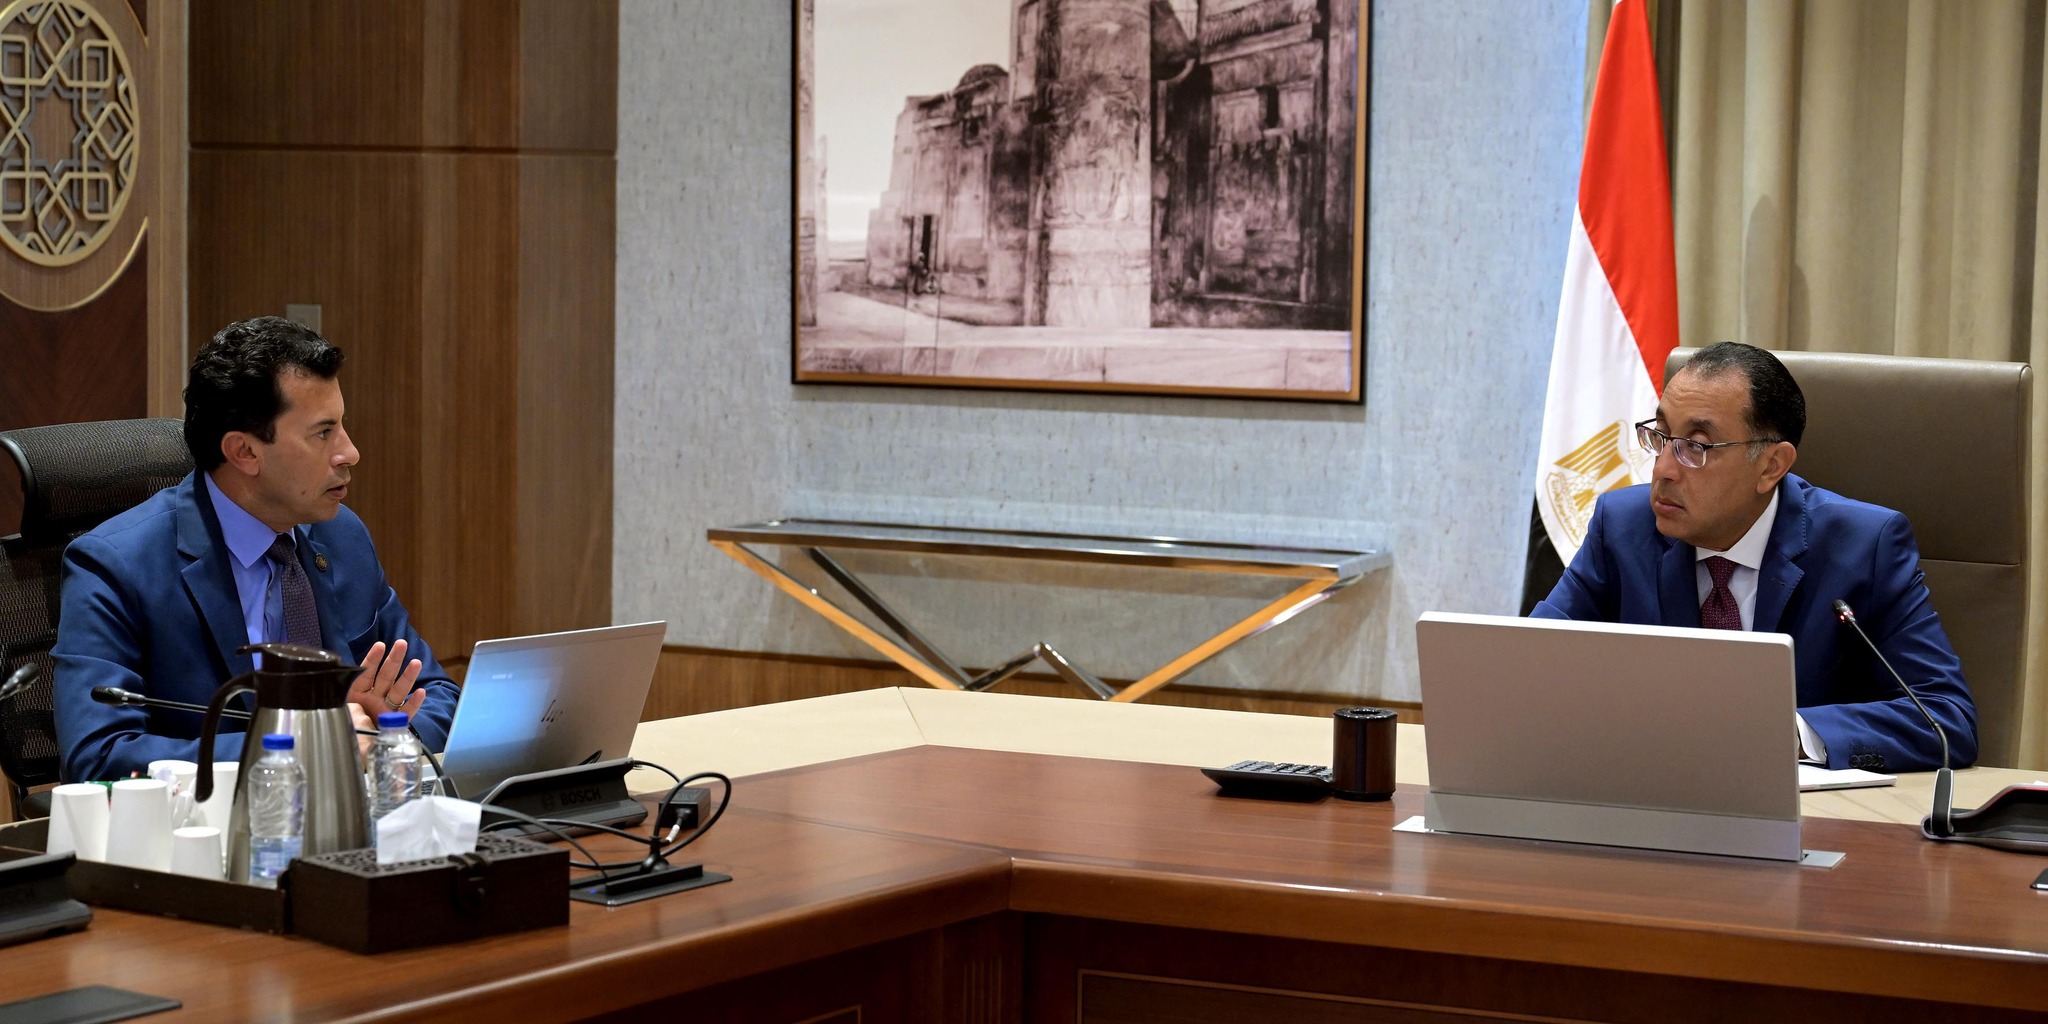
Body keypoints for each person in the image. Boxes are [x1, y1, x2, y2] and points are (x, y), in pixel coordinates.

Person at [1532, 341, 1975, 773]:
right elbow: (1531, 667)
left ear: (1771, 466)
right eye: (1661, 436)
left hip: (1808, 812)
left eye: (1696, 446)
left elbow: (1945, 719)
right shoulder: (1622, 527)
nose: (1663, 469)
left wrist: (1784, 735)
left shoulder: (1864, 547)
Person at [54, 317, 459, 782]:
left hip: (348, 814)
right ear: (244, 452)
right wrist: (303, 744)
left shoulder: (341, 537)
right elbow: (98, 755)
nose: (350, 452)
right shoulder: (114, 566)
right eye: (323, 432)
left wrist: (383, 738)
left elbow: (438, 696)